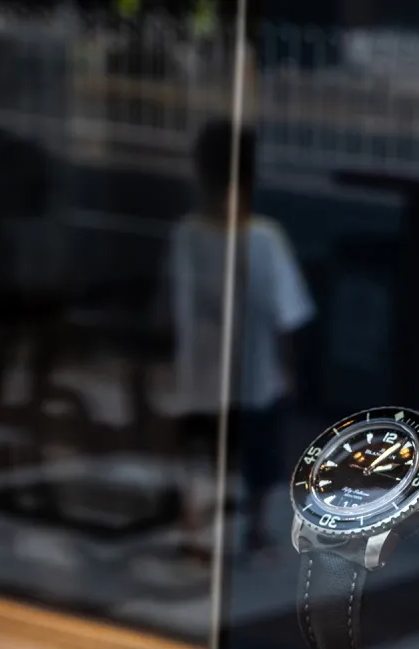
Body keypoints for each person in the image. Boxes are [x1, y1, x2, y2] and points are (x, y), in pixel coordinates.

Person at [163, 120, 314, 556]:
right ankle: (255, 528)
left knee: (202, 452)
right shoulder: (266, 239)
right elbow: (287, 317)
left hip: (201, 376)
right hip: (256, 377)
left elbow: (171, 307)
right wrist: (288, 369)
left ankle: (197, 526)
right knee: (259, 457)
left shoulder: (186, 235)